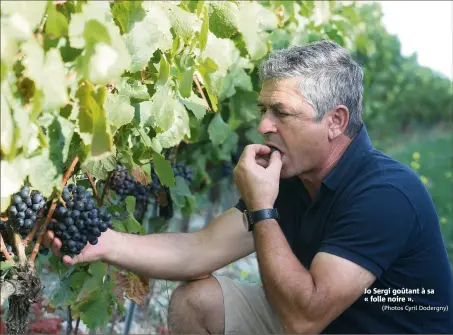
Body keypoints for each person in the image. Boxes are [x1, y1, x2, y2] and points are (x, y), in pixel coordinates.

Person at [44, 39, 453, 334]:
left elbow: (303, 319)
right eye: (263, 109)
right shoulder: (292, 177)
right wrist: (105, 244)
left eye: (281, 112)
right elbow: (200, 250)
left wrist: (262, 209)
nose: (263, 126)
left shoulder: (386, 195)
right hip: (329, 322)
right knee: (197, 299)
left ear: (336, 121)